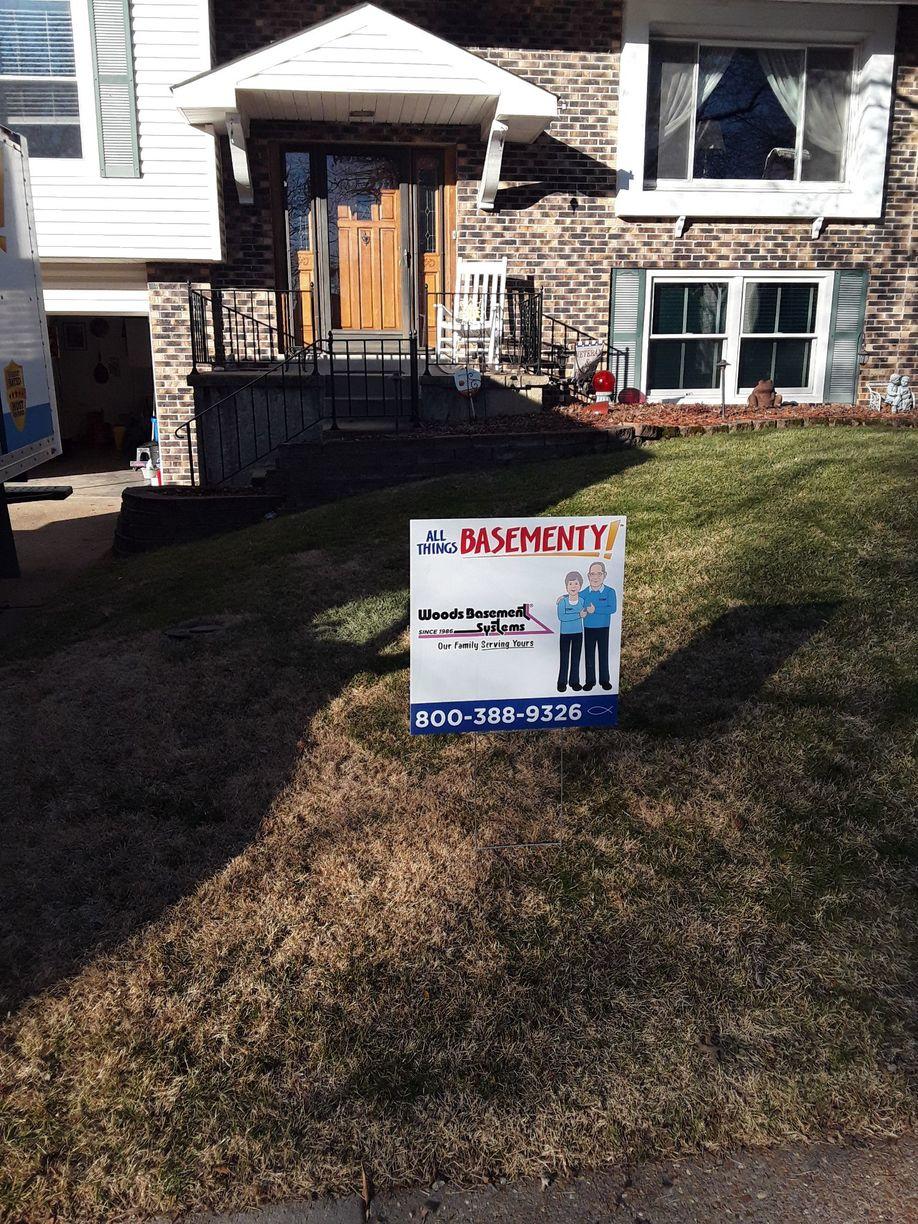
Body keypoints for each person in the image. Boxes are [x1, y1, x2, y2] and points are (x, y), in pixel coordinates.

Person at [582, 560, 617, 691]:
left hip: (603, 628)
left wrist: (595, 610)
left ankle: (604, 680)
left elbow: (612, 608)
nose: (595, 577)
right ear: (588, 576)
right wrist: (563, 597)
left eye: (599, 574)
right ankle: (590, 681)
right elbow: (573, 597)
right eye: (592, 574)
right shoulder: (585, 593)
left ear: (605, 575)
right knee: (589, 655)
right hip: (588, 628)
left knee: (603, 653)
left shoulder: (609, 592)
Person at [556, 570, 587, 692]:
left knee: (576, 658)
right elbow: (562, 617)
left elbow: (586, 611)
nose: (573, 586)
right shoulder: (562, 602)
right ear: (566, 586)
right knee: (564, 659)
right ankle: (562, 682)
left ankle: (574, 681)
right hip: (565, 634)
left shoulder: (582, 601)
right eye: (570, 584)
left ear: (580, 586)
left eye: (576, 584)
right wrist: (578, 615)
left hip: (578, 634)